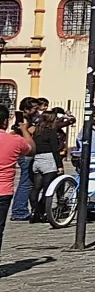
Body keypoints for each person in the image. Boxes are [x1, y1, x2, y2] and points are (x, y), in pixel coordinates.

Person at [0, 107, 33, 255]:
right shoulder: (15, 141)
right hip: (3, 191)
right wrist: (24, 130)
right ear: (6, 122)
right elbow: (31, 149)